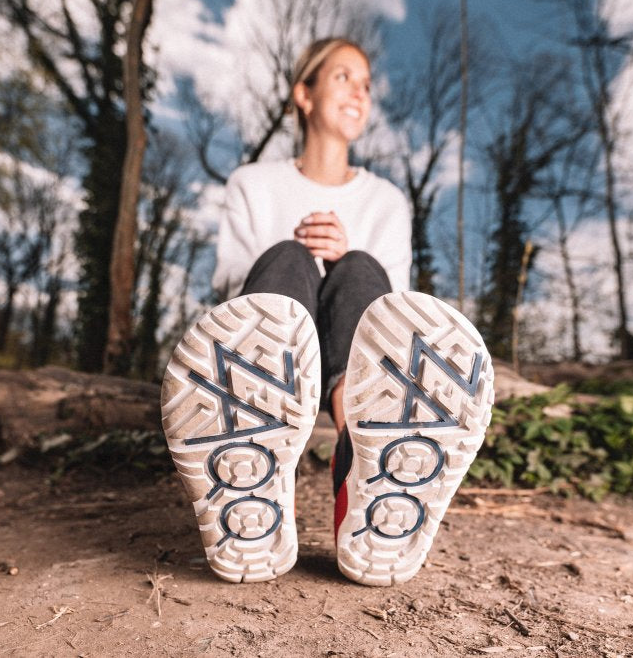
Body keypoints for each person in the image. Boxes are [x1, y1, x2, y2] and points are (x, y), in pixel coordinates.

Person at [161, 38, 494, 586]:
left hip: (351, 356)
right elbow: (228, 288)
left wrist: (342, 255)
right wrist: (296, 253)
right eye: (344, 77)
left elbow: (398, 315)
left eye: (366, 85)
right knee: (289, 257)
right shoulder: (254, 183)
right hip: (275, 358)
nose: (360, 92)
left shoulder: (386, 200)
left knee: (362, 265)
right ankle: (254, 437)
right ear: (304, 94)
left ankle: (361, 444)